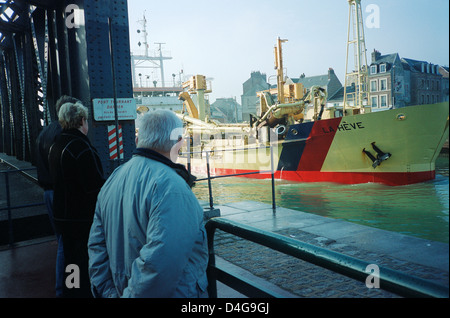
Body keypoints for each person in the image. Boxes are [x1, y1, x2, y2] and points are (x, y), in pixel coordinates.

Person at [88, 109, 208, 298]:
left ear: (137, 141)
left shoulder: (113, 179)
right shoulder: (173, 188)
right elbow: (160, 265)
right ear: (178, 142)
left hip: (117, 291)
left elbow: (96, 247)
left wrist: (108, 293)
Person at [48, 101, 105, 298]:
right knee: (85, 259)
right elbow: (95, 187)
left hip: (62, 215)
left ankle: (70, 291)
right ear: (82, 121)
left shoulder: (56, 145)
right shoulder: (82, 148)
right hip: (81, 218)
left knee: (70, 259)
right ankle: (82, 292)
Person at [35, 95, 80, 297]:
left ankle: (68, 286)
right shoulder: (65, 135)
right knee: (69, 245)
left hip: (49, 194)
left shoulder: (44, 133)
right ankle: (70, 287)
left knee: (63, 242)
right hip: (65, 196)